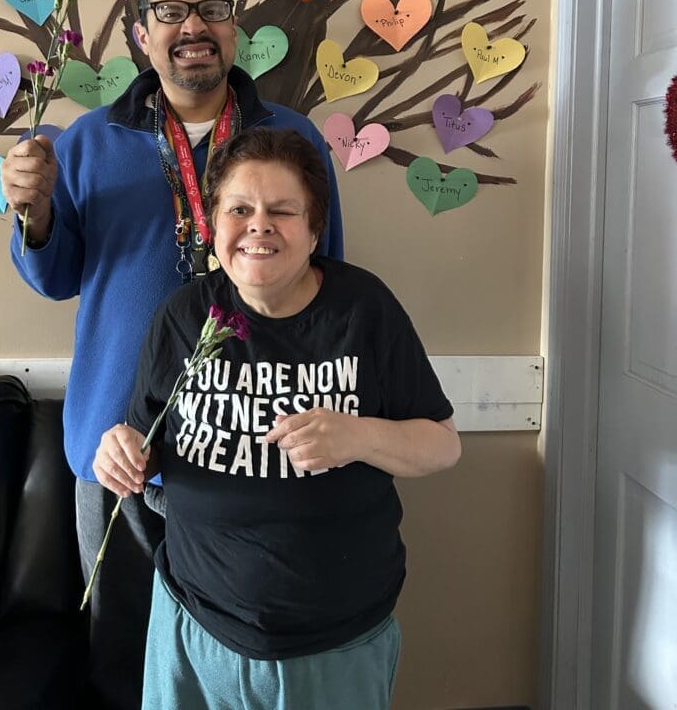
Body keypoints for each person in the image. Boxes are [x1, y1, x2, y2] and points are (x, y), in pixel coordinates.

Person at [0, 0, 344, 710]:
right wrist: (35, 209)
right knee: (122, 657)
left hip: (251, 448)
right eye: (171, 11)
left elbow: (330, 284)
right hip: (118, 444)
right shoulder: (85, 141)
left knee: (240, 657)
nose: (194, 26)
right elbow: (55, 279)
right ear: (139, 33)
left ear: (234, 26)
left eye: (212, 10)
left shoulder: (291, 140)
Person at [94, 127, 460, 710]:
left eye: (282, 211)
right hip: (193, 628)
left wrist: (359, 435)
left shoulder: (364, 310)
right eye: (239, 209)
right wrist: (122, 447)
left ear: (315, 230)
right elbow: (147, 438)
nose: (259, 225)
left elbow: (444, 446)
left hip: (332, 646)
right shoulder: (183, 316)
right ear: (214, 226)